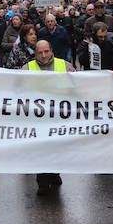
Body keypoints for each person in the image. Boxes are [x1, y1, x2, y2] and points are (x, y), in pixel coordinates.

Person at [22, 39, 75, 195]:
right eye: (40, 52)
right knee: (41, 150)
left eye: (46, 51)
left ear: (51, 51)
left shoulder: (65, 66)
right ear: (35, 54)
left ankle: (54, 173)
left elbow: (80, 84)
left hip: (59, 119)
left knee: (57, 149)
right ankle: (43, 183)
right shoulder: (27, 69)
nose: (44, 55)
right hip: (38, 120)